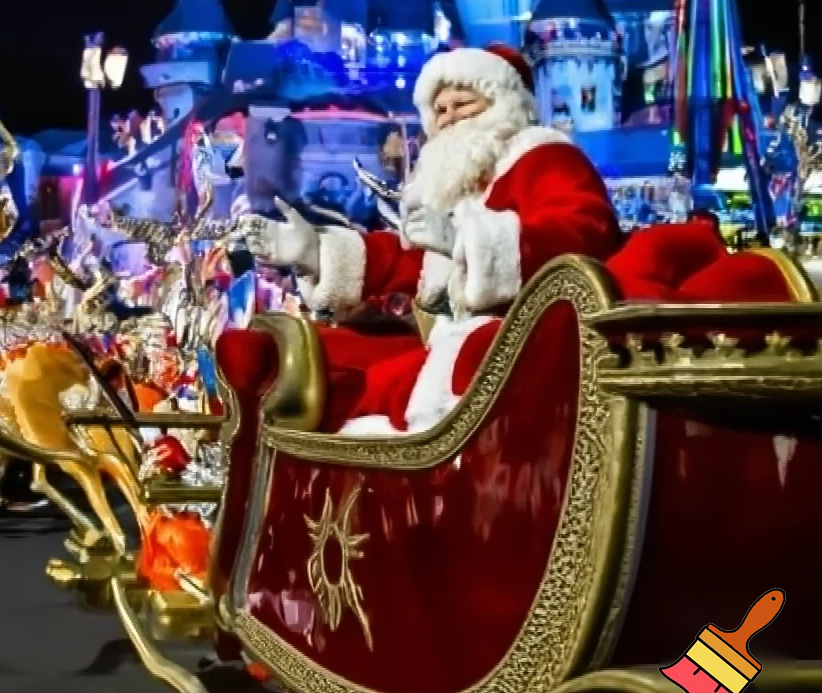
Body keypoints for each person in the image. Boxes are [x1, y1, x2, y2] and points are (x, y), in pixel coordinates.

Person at [231, 44, 792, 437]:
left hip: (529, 335)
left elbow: (580, 231)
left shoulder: (544, 157)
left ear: (501, 107)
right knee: (307, 354)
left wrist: (472, 241)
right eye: (439, 110)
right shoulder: (460, 186)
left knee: (429, 374)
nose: (448, 119)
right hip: (460, 336)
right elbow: (404, 258)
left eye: (463, 105)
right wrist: (314, 250)